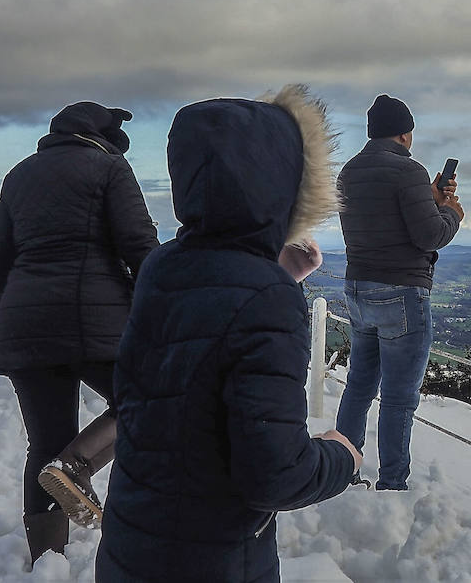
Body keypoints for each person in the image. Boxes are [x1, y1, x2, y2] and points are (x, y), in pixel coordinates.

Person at [96, 86, 361, 583]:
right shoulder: (267, 298)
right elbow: (275, 476)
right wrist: (340, 457)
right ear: (284, 182)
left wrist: (274, 272)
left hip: (133, 545)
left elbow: (198, 352)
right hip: (211, 560)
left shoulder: (162, 268)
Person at [0, 102, 158, 567]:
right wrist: (167, 305)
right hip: (98, 323)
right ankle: (77, 466)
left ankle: (47, 562)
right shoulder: (110, 168)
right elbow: (138, 242)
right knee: (150, 399)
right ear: (105, 138)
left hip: (26, 327)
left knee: (45, 443)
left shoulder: (20, 176)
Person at [334, 94, 464, 491]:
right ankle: (392, 484)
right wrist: (450, 213)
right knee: (398, 397)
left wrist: (427, 197)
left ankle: (344, 471)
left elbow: (383, 218)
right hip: (402, 293)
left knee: (359, 384)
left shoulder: (349, 171)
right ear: (405, 134)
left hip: (358, 288)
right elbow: (430, 235)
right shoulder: (408, 171)